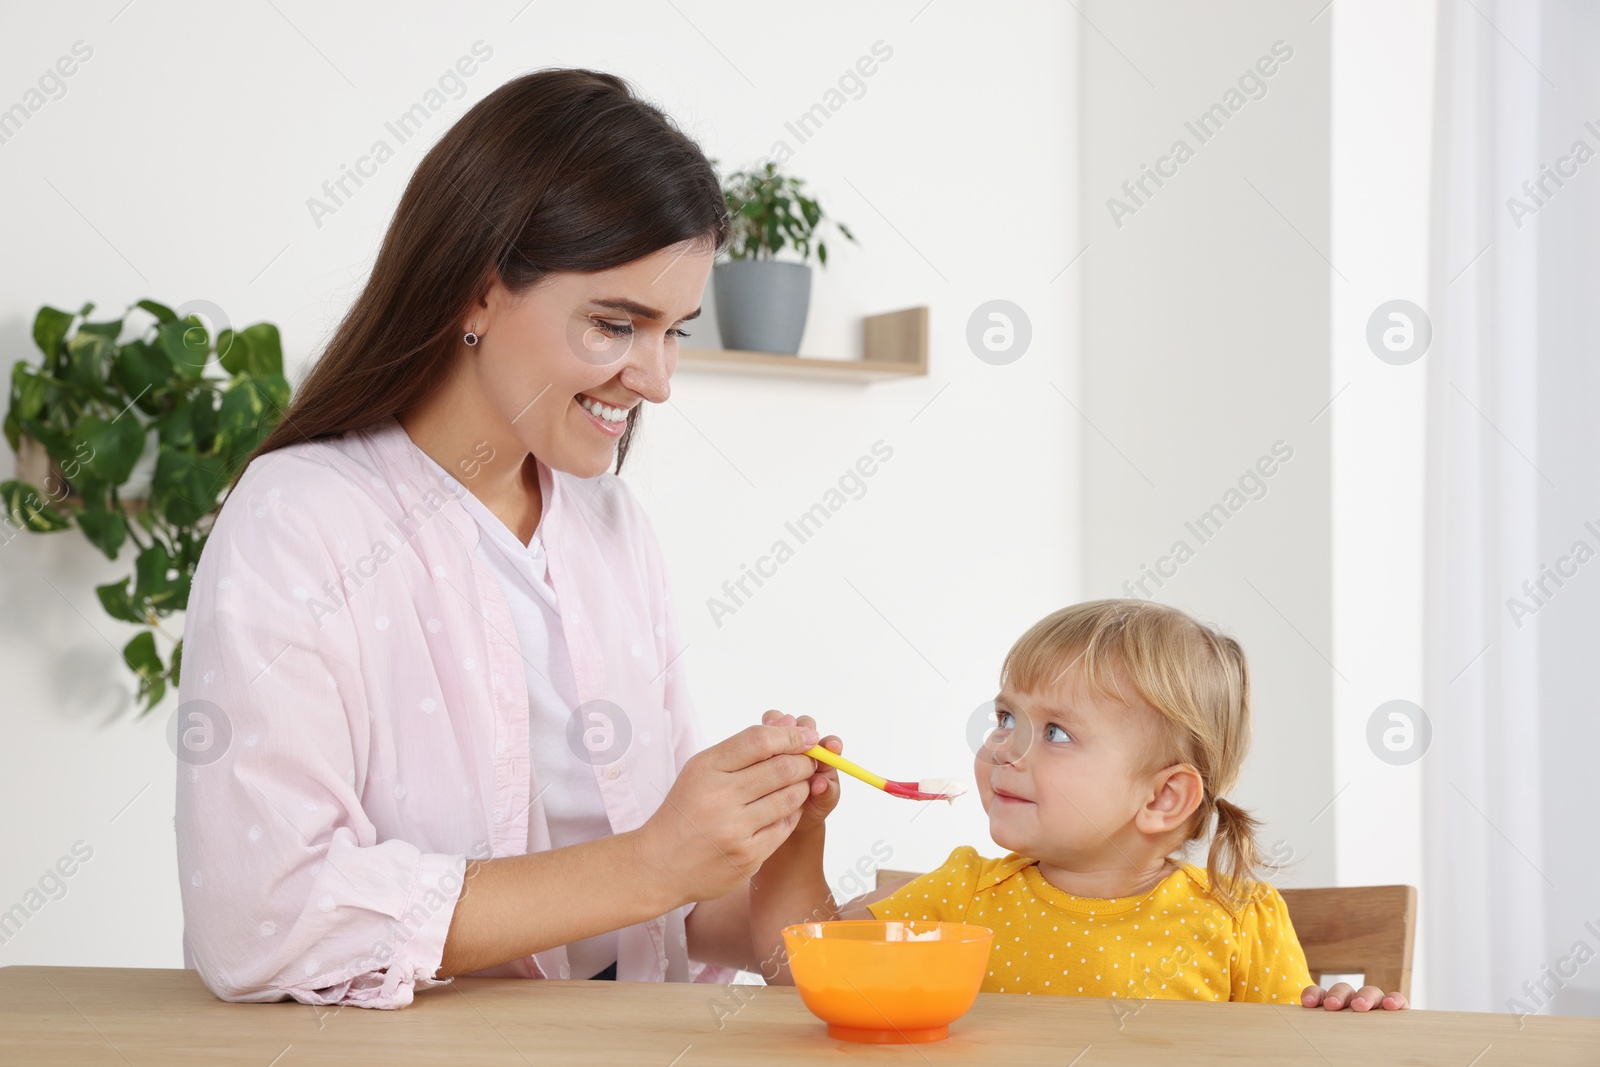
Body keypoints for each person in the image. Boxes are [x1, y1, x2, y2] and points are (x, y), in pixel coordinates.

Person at [173, 68, 840, 1009]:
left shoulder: (611, 527)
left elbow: (649, 917)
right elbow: (266, 920)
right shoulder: (299, 523)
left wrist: (751, 865)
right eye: (617, 324)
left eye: (675, 332)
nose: (655, 380)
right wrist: (656, 861)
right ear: (477, 295)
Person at [750, 599, 1410, 1012]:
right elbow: (795, 970)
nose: (1005, 747)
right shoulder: (962, 894)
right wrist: (799, 831)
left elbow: (1293, 1055)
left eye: (1056, 732)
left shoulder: (1241, 921)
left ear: (1162, 796)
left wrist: (1345, 1018)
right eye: (1006, 715)